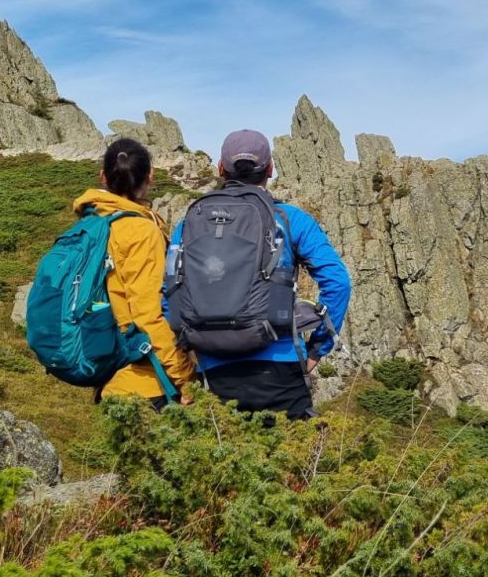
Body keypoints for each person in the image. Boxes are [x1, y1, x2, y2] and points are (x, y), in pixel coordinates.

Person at [166, 129, 350, 420]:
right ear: (271, 169)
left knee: (223, 461)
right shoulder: (290, 219)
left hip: (213, 371)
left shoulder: (188, 223)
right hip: (281, 366)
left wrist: (187, 354)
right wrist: (317, 349)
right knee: (292, 461)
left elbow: (169, 294)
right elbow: (338, 283)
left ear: (221, 169)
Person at [72, 138, 196, 406]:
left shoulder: (90, 226)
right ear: (150, 177)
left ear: (103, 177)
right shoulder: (141, 231)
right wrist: (185, 377)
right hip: (149, 383)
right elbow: (148, 314)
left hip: (108, 379)